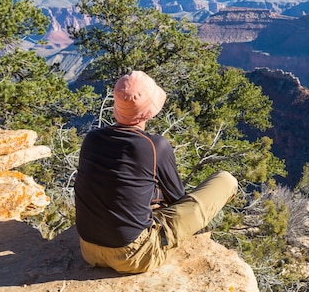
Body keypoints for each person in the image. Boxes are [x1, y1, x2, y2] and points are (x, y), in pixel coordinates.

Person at [74, 70, 238, 274]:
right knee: (226, 179)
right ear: (150, 109)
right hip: (134, 256)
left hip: (89, 250)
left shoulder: (91, 138)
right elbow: (178, 199)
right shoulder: (155, 145)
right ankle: (208, 224)